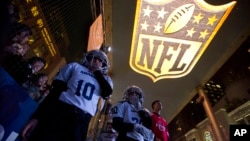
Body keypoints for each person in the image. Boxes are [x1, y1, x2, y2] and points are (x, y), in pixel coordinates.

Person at [21, 49, 113, 141]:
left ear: (103, 65)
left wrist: (97, 73)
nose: (97, 61)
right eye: (95, 58)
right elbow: (55, 92)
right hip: (61, 111)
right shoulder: (75, 66)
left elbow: (107, 92)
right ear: (88, 59)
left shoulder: (105, 79)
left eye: (100, 60)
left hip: (82, 120)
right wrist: (38, 117)